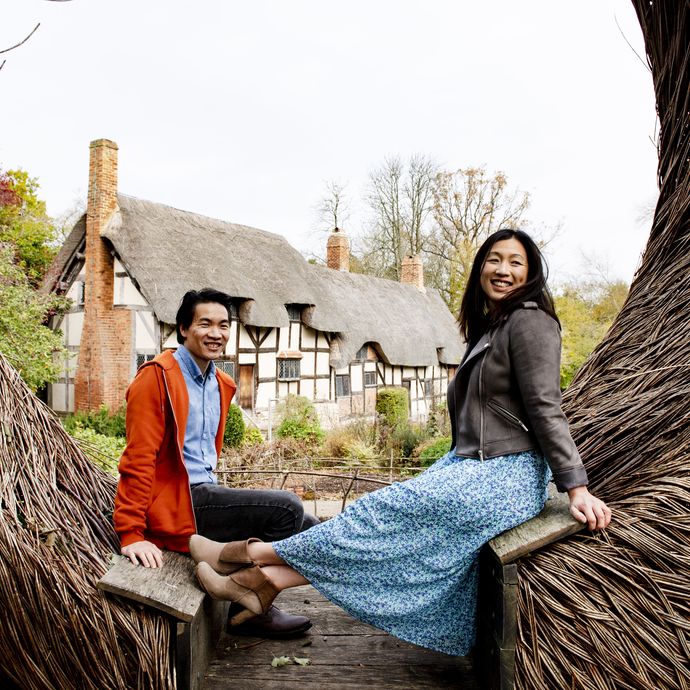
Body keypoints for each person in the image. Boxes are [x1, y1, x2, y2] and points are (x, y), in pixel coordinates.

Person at [187, 230, 612, 655]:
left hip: (508, 472)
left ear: (532, 272)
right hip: (474, 464)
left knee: (380, 512)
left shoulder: (531, 322)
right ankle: (263, 583)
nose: (502, 270)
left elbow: (544, 406)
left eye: (515, 262)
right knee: (384, 521)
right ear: (481, 266)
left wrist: (576, 485)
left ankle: (246, 556)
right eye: (494, 259)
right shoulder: (493, 326)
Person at [113, 288, 319, 637]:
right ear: (182, 329)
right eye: (204, 324)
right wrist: (131, 533)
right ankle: (250, 605)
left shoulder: (221, 383)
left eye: (223, 325)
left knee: (313, 529)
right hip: (179, 504)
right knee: (287, 509)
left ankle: (243, 590)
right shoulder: (156, 378)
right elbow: (138, 457)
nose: (216, 333)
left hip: (206, 493)